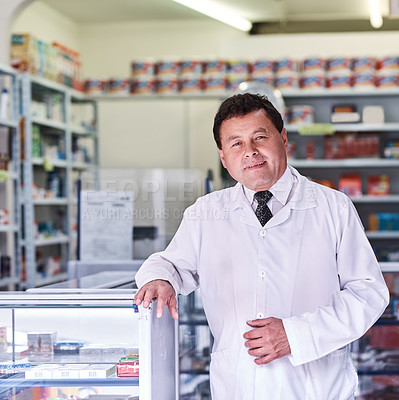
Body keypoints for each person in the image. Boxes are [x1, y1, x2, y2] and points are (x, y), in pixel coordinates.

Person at [134, 93, 389, 399]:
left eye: (260, 137)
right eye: (236, 143)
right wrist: (159, 279)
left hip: (317, 388)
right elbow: (171, 264)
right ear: (223, 156)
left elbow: (368, 293)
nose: (250, 152)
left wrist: (296, 336)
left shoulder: (333, 207)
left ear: (283, 139)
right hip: (236, 387)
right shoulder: (205, 213)